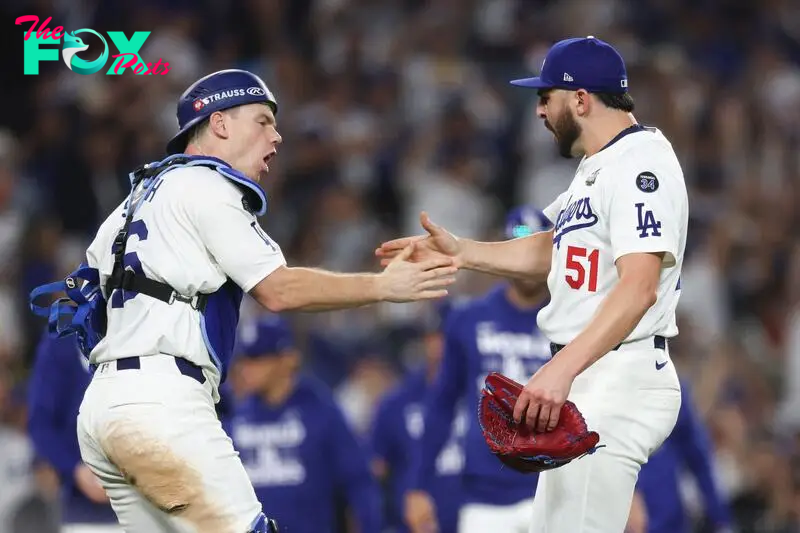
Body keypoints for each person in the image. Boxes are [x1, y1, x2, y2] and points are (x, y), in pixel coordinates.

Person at [31, 68, 454, 533]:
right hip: (161, 400)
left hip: (104, 406)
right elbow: (278, 289)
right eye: (263, 120)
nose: (277, 135)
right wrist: (381, 287)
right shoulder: (206, 186)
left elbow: (81, 306)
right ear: (220, 124)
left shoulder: (131, 202)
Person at [377, 36, 688, 533]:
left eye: (547, 97)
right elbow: (551, 248)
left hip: (618, 372)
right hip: (591, 372)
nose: (540, 110)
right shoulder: (600, 166)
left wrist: (559, 370)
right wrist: (463, 252)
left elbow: (639, 287)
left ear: (581, 100)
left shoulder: (639, 165)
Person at [403, 206, 555, 533]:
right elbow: (441, 405)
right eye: (518, 246)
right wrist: (418, 484)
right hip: (484, 495)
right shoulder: (468, 318)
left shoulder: (571, 320)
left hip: (555, 489)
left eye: (536, 247)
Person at [224, 313, 382, 533]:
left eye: (259, 358)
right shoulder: (236, 414)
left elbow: (358, 482)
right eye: (245, 359)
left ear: (288, 359)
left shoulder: (320, 410)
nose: (246, 368)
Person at [369, 300, 466, 533]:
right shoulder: (397, 401)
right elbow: (375, 468)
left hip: (480, 517)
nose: (440, 345)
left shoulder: (482, 394)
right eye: (434, 337)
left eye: (446, 337)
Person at [27, 330, 121, 532]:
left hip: (156, 511)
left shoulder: (152, 328)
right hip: (87, 516)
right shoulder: (61, 340)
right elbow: (41, 424)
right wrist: (76, 469)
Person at [635, 380, 733, 533]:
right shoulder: (600, 388)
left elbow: (699, 461)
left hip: (668, 521)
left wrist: (720, 520)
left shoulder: (670, 388)